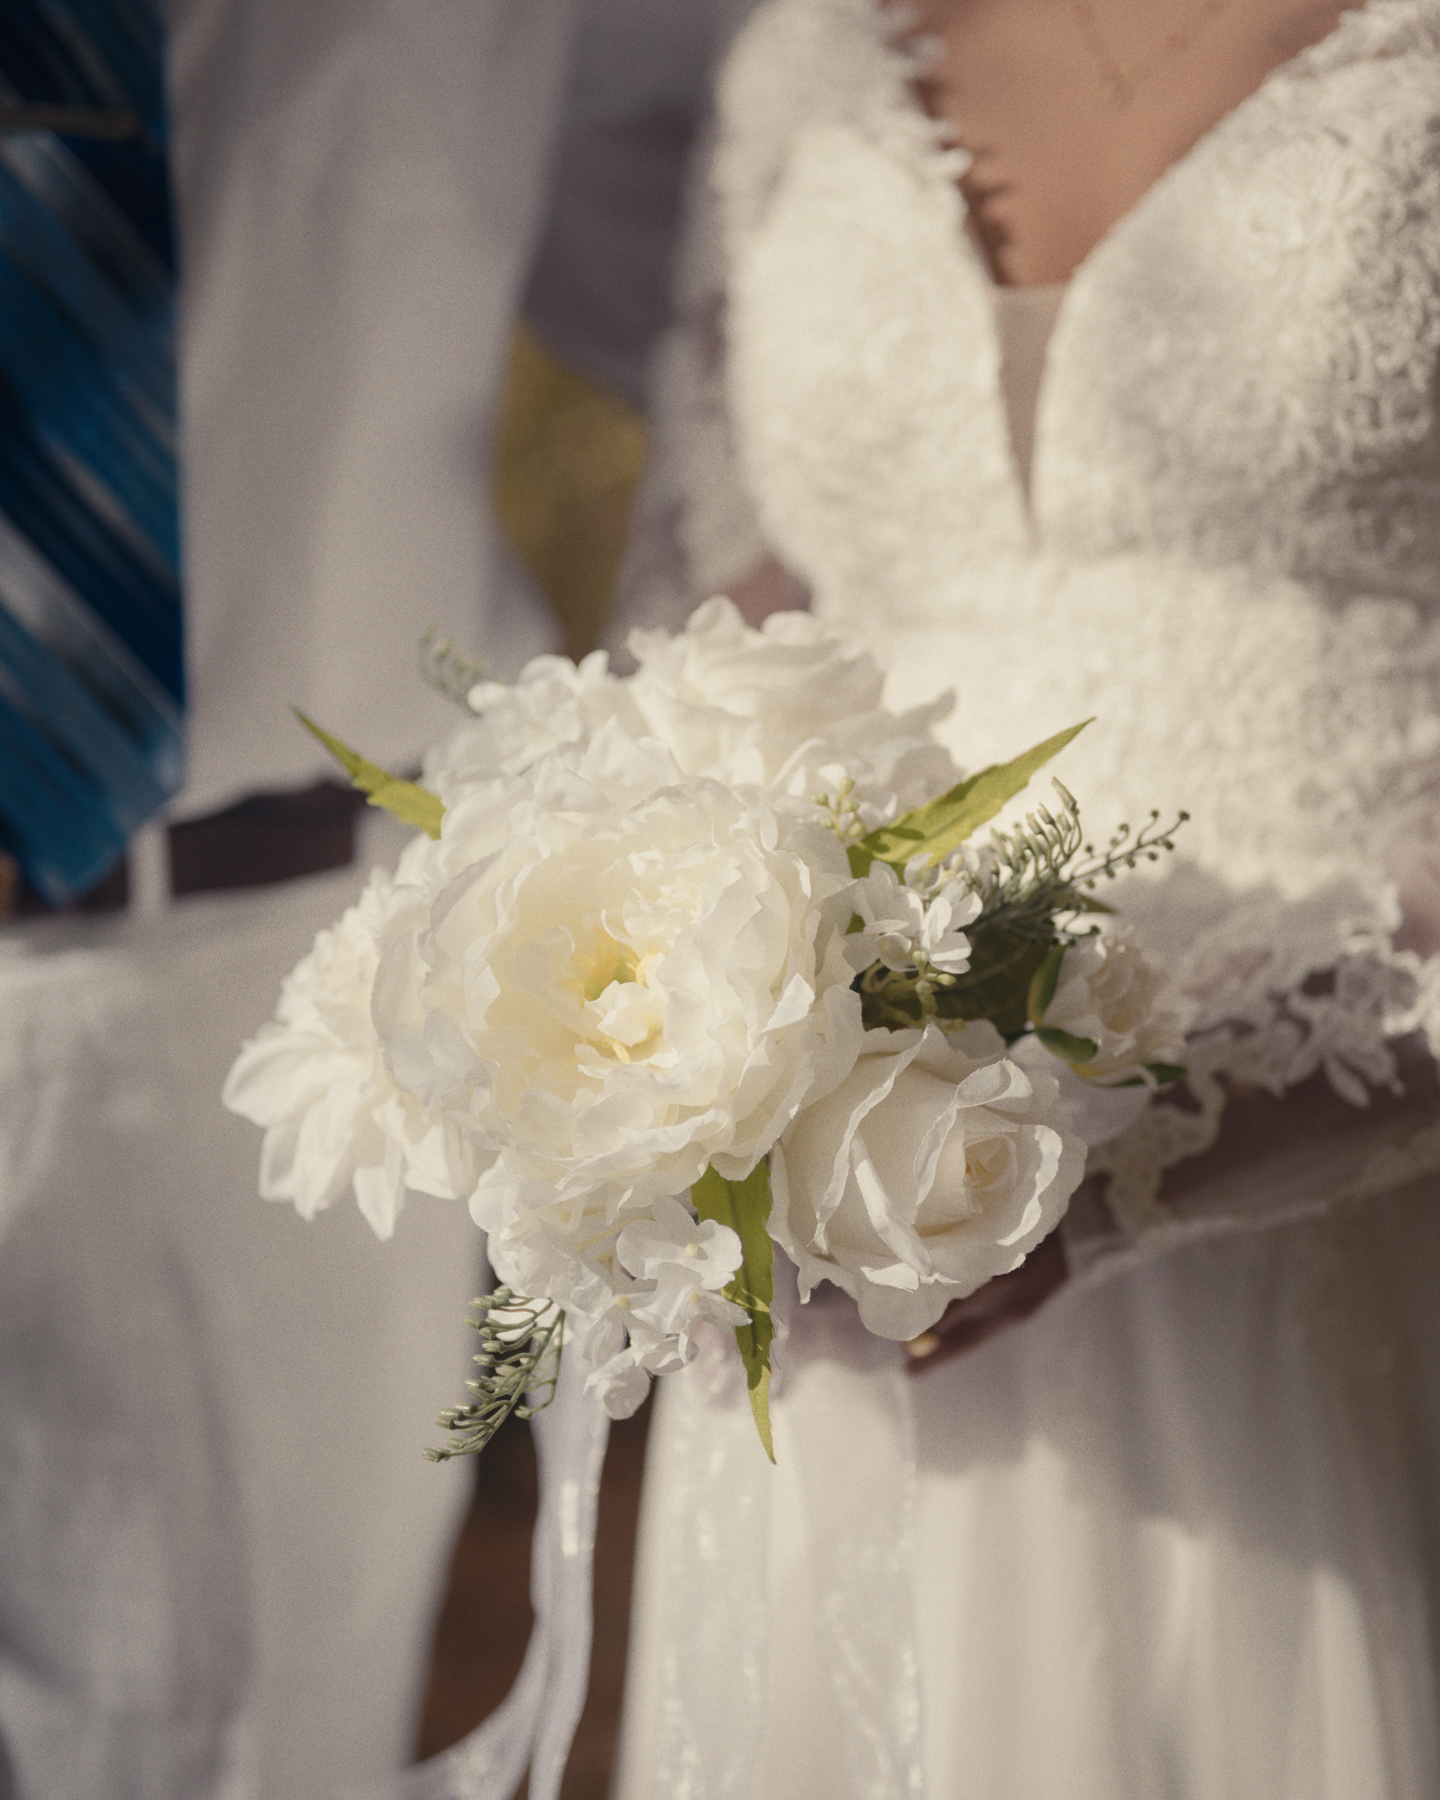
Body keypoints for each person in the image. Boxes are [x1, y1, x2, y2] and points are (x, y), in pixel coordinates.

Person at [609, 1, 1440, 1794]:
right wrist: (644, 1049)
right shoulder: (805, 55)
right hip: (852, 1254)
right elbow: (733, 605)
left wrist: (1164, 1127)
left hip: (1367, 1195)